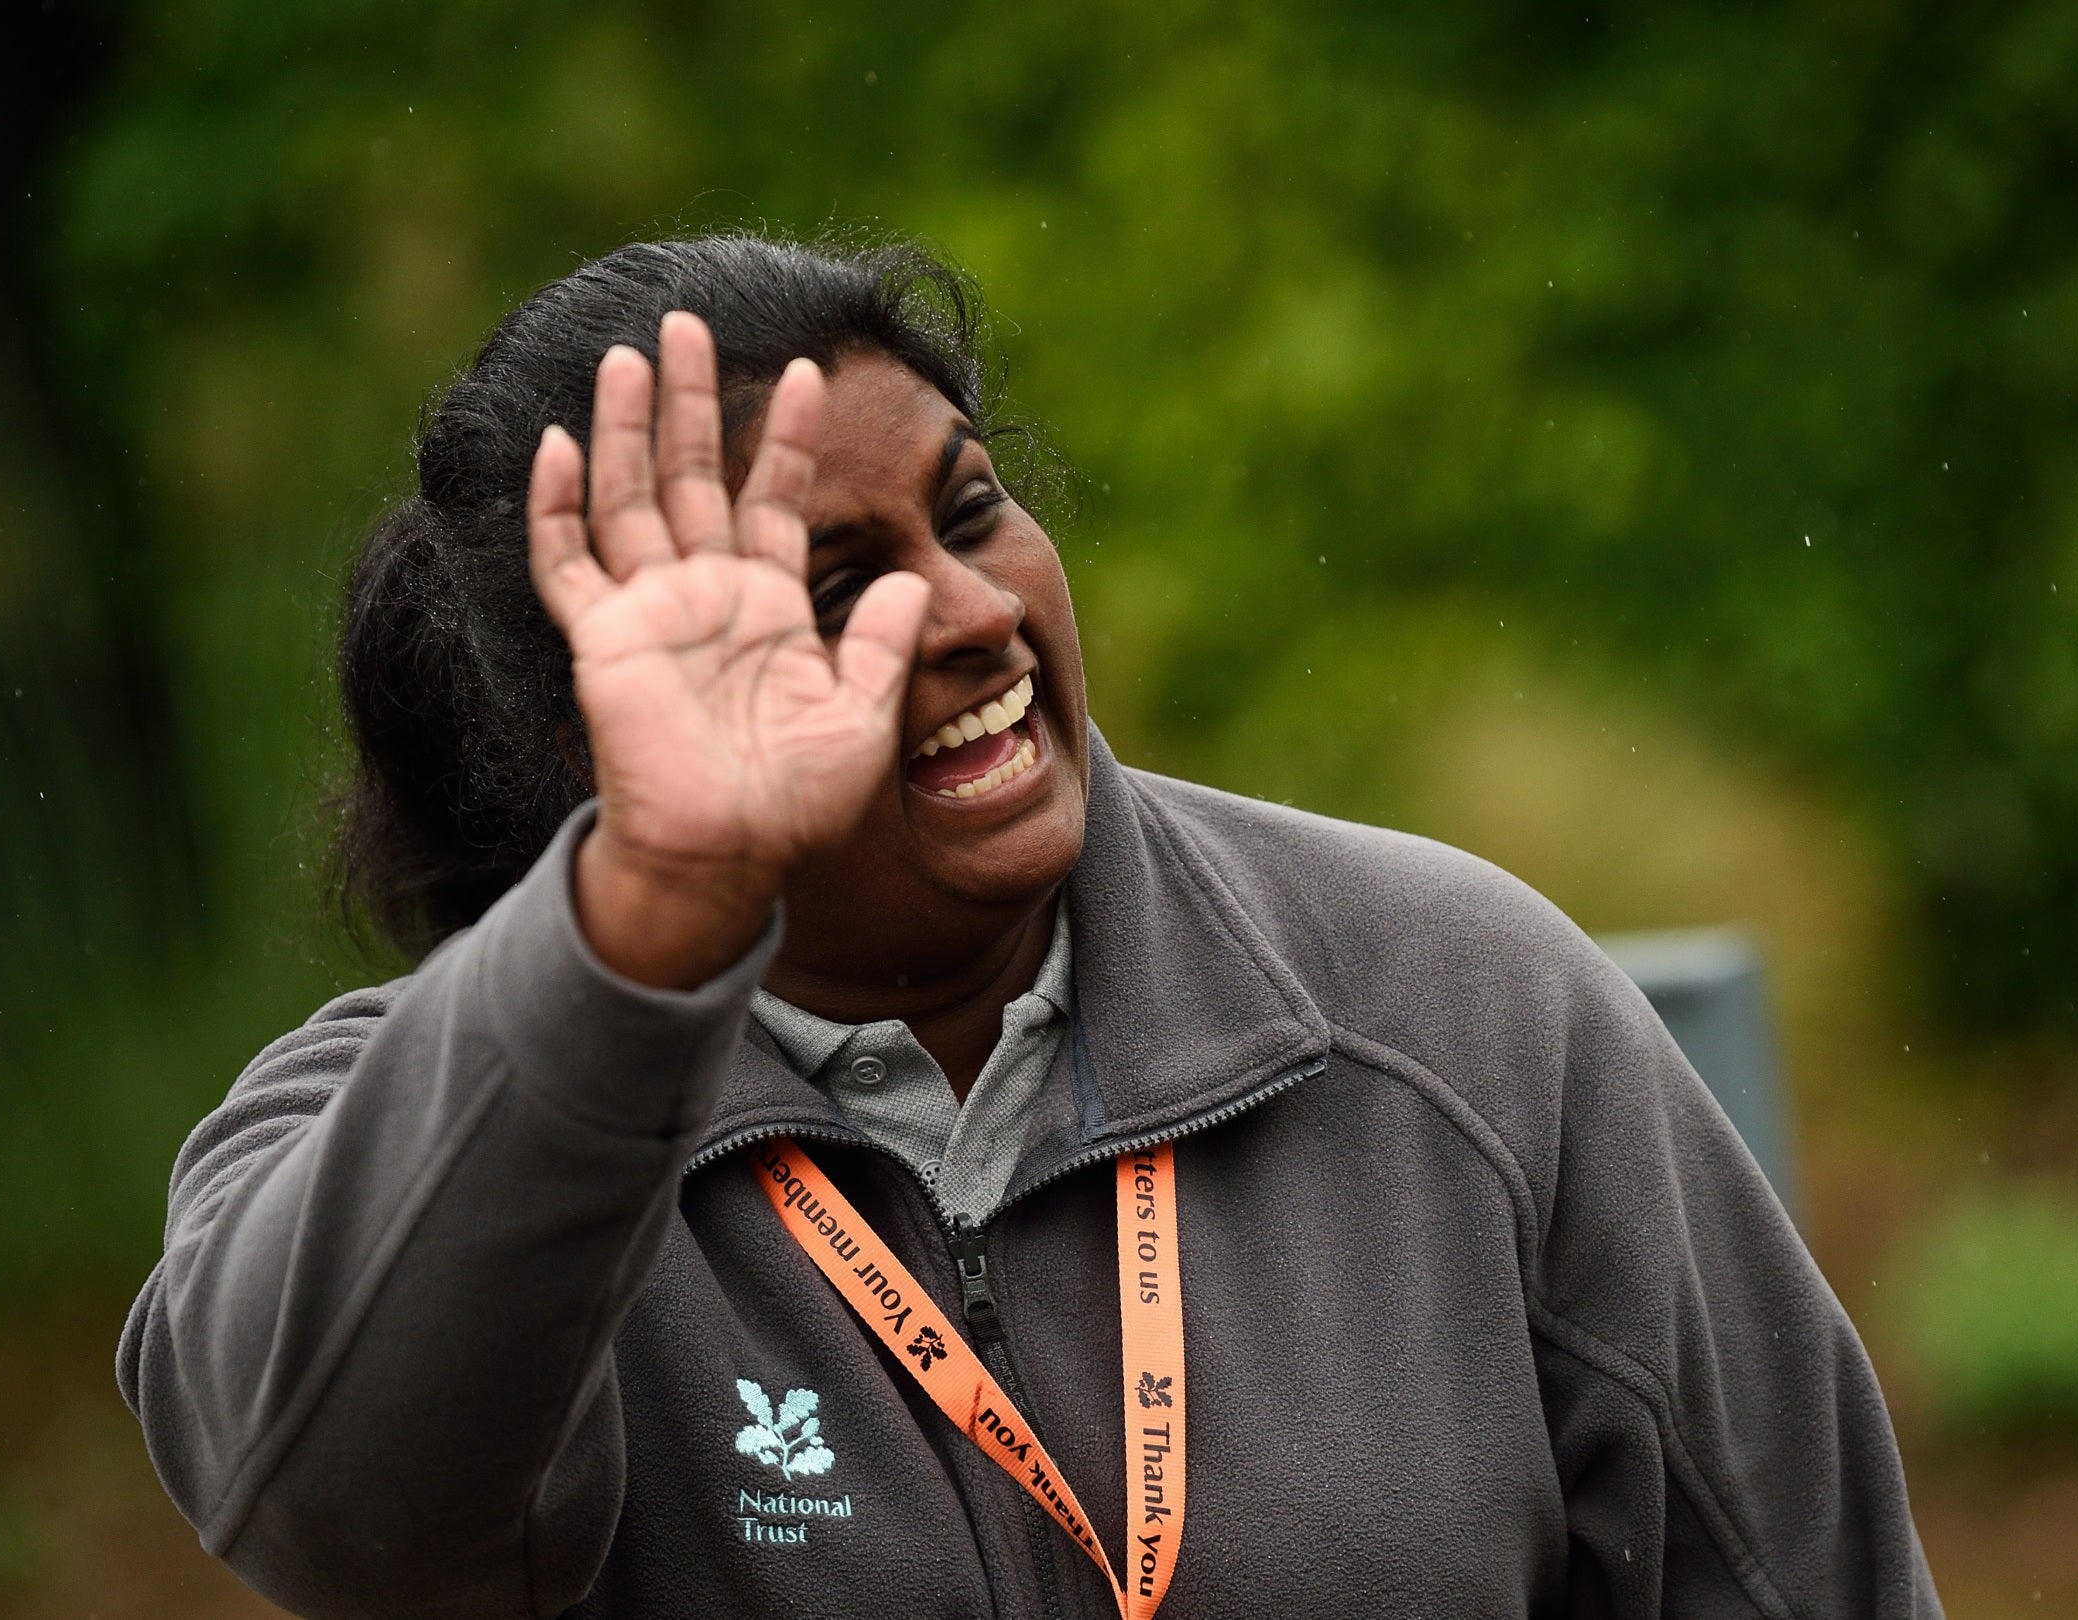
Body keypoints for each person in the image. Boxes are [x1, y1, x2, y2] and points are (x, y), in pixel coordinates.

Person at [119, 234, 1942, 1620]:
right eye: (830, 596)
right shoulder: (403, 1142)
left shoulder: (1459, 1011)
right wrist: (661, 911)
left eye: (969, 511)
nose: (966, 611)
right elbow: (341, 1515)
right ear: (607, 733)